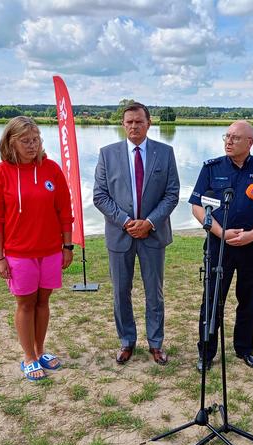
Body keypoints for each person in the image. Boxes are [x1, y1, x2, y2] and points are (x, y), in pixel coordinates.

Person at [189, 120, 253, 372]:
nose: (228, 141)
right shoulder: (211, 168)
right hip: (219, 245)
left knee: (248, 299)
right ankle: (207, 352)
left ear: (250, 142)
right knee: (212, 299)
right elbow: (197, 206)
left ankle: (244, 349)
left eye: (235, 137)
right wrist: (220, 232)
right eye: (227, 136)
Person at [0, 116, 74, 382]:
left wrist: (67, 246)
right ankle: (28, 357)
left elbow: (64, 211)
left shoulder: (51, 169)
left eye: (35, 140)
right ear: (10, 143)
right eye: (25, 141)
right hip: (18, 253)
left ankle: (40, 350)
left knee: (43, 301)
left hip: (50, 251)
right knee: (26, 304)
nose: (32, 145)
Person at [93, 102, 180, 366]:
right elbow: (100, 195)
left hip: (153, 235)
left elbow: (172, 193)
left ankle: (156, 343)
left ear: (148, 123)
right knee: (121, 291)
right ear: (123, 124)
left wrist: (150, 222)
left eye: (139, 121)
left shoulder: (165, 153)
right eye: (129, 122)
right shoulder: (107, 154)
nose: (134, 126)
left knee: (154, 291)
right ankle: (127, 341)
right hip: (121, 235)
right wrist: (126, 221)